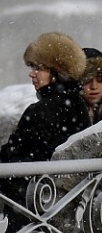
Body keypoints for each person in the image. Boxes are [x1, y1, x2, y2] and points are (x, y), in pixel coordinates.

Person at [0, 32, 91, 162]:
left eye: (38, 68)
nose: (32, 74)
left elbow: (18, 157)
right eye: (32, 67)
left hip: (41, 181)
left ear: (58, 72)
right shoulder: (77, 103)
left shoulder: (43, 110)